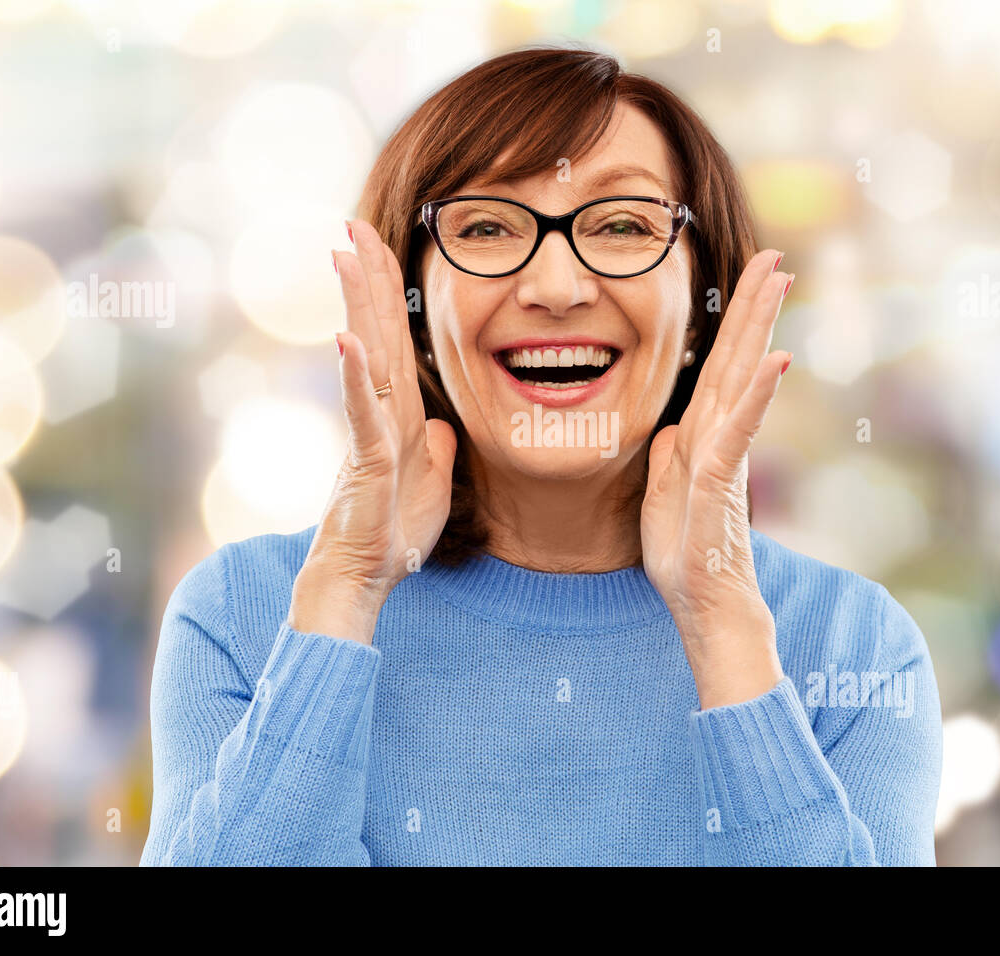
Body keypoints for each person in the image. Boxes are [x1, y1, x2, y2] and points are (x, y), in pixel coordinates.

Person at [140, 46, 942, 866]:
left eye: (623, 225)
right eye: (486, 227)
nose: (556, 287)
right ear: (411, 308)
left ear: (704, 306)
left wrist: (721, 622)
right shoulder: (242, 615)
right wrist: (345, 590)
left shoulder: (855, 650)